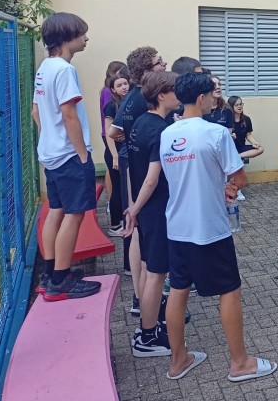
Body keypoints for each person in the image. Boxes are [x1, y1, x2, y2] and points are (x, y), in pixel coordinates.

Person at [160, 73, 277, 381]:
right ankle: (240, 363)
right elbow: (240, 177)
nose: (216, 99)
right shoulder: (215, 133)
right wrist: (230, 188)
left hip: (177, 226)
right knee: (229, 290)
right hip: (209, 227)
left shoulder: (167, 134)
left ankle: (178, 360)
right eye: (212, 94)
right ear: (201, 98)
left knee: (178, 290)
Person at [31, 12, 101, 300]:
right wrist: (82, 154)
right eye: (81, 33)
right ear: (66, 37)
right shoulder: (64, 70)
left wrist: (51, 136)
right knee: (74, 215)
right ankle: (61, 280)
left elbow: (36, 111)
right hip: (69, 155)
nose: (86, 38)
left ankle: (50, 275)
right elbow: (69, 114)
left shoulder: (44, 67)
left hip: (50, 153)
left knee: (57, 210)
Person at [121, 71, 178, 357]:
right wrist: (135, 208)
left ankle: (148, 327)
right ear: (162, 95)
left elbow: (132, 168)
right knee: (156, 273)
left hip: (146, 209)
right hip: (155, 210)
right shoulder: (160, 131)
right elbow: (151, 179)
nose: (179, 95)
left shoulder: (141, 123)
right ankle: (147, 337)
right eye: (174, 90)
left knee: (148, 269)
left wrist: (133, 207)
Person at [107, 46, 167, 315]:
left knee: (137, 229)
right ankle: (144, 298)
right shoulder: (144, 97)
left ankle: (140, 296)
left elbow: (115, 131)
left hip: (133, 164)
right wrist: (133, 144)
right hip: (140, 169)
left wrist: (129, 140)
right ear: (145, 71)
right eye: (158, 62)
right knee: (139, 230)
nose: (163, 64)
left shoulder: (132, 96)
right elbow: (113, 132)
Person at [102, 67, 130, 236]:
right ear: (113, 89)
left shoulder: (130, 103)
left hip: (126, 151)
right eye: (119, 85)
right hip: (115, 153)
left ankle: (126, 220)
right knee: (118, 188)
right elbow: (108, 133)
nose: (124, 87)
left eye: (125, 83)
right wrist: (114, 156)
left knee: (126, 188)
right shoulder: (111, 106)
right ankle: (114, 225)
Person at [227, 96, 264, 160]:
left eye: (241, 104)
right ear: (231, 106)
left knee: (260, 149)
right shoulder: (227, 119)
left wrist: (254, 142)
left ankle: (237, 156)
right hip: (229, 148)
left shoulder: (246, 119)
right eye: (236, 105)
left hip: (241, 147)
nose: (239, 106)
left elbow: (248, 135)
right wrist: (230, 136)